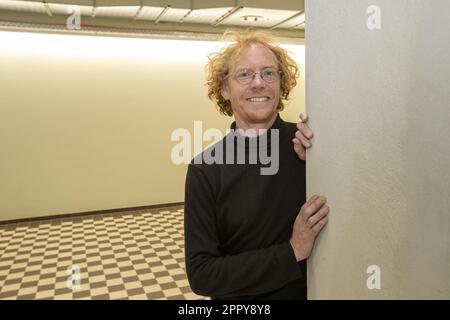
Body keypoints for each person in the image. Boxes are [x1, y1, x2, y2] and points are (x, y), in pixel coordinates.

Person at [184, 31, 329, 300]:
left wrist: (325, 165)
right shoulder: (205, 170)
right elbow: (202, 274)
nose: (258, 83)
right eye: (244, 74)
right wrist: (291, 251)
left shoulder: (309, 146)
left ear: (281, 84)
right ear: (225, 89)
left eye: (269, 73)